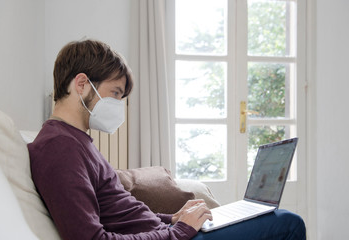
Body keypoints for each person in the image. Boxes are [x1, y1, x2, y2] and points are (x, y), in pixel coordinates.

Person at [28, 39, 306, 240]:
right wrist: (180, 231)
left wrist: (171, 218)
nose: (117, 104)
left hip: (168, 232)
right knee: (288, 223)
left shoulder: (76, 141)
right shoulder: (58, 148)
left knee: (265, 218)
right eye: (114, 93)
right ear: (82, 84)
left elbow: (121, 215)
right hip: (174, 238)